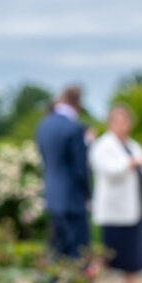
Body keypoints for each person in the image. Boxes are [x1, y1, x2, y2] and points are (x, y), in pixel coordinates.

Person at [89, 104, 142, 283]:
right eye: (118, 120)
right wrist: (137, 162)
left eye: (125, 120)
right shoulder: (102, 146)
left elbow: (141, 177)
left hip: (134, 212)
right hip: (114, 214)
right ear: (109, 123)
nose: (122, 125)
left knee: (132, 260)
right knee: (105, 258)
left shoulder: (133, 146)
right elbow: (112, 171)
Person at [35, 86, 91, 262]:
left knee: (56, 248)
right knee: (78, 252)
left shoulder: (43, 125)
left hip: (52, 195)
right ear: (78, 104)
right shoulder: (74, 128)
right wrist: (88, 195)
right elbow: (79, 169)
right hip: (72, 198)